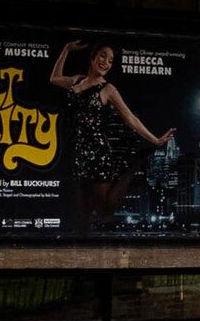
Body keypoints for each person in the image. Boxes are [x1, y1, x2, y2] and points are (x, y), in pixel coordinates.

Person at [49, 39, 175, 218]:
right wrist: (66, 49)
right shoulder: (77, 80)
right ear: (92, 58)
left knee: (104, 211)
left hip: (98, 152)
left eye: (110, 60)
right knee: (83, 210)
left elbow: (130, 118)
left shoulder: (108, 89)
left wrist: (155, 140)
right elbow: (54, 78)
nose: (106, 63)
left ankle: (131, 169)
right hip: (79, 153)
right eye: (103, 56)